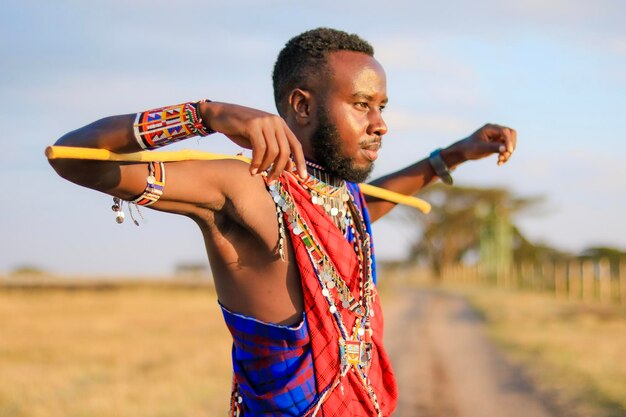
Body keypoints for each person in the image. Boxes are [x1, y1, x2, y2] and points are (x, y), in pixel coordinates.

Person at [49, 27, 516, 417]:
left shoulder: (339, 199)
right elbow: (72, 157)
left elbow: (362, 209)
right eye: (361, 104)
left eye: (382, 107)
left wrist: (452, 155)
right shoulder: (241, 185)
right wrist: (204, 114)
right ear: (303, 105)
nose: (380, 124)